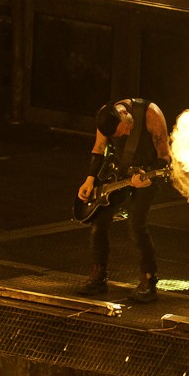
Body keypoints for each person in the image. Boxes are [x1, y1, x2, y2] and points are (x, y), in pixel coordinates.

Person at [77, 97, 172, 303]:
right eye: (121, 135)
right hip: (119, 174)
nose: (127, 134)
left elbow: (165, 157)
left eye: (127, 129)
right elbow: (99, 148)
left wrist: (147, 173)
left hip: (148, 174)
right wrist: (90, 179)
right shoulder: (105, 116)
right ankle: (99, 276)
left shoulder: (151, 114)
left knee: (136, 223)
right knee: (99, 221)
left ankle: (149, 279)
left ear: (124, 115)